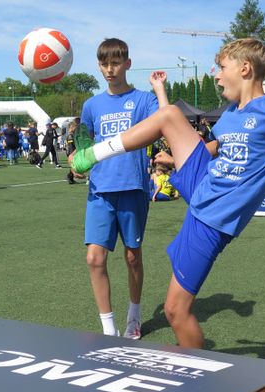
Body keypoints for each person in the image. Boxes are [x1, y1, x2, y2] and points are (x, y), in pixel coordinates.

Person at [71, 38, 265, 348]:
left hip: (213, 217)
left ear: (245, 69)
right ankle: (94, 154)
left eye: (222, 68)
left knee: (175, 310)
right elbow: (214, 148)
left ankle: (200, 377)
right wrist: (176, 157)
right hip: (202, 184)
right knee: (169, 115)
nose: (216, 75)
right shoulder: (231, 112)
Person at [74, 38, 166, 339]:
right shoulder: (91, 106)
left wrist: (159, 89)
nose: (109, 69)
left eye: (115, 63)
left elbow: (166, 120)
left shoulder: (142, 100)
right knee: (94, 258)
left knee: (132, 256)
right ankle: (108, 329)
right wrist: (77, 162)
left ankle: (134, 316)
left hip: (133, 189)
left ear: (128, 63)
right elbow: (82, 147)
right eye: (104, 63)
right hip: (100, 190)